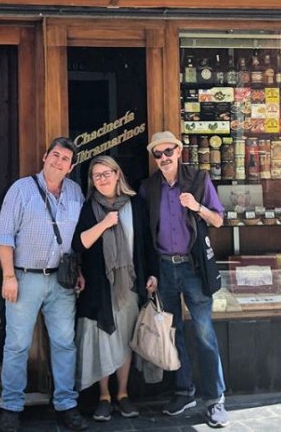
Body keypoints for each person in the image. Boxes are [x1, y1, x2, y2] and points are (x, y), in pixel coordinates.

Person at [0, 137, 88, 432]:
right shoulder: (21, 190)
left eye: (65, 159)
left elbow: (77, 238)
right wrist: (8, 276)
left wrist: (78, 270)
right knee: (17, 345)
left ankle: (66, 404)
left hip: (61, 281)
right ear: (45, 156)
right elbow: (4, 236)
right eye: (55, 155)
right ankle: (11, 407)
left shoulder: (75, 192)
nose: (58, 162)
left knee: (64, 343)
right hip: (25, 278)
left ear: (70, 167)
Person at [141, 131, 229, 429]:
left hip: (193, 268)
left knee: (204, 333)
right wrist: (151, 272)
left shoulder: (198, 180)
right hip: (165, 268)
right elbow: (147, 235)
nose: (164, 158)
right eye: (158, 154)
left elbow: (218, 219)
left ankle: (215, 399)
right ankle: (184, 392)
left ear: (179, 151)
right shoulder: (149, 188)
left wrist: (197, 207)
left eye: (169, 151)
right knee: (173, 332)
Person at [72, 155, 159, 422]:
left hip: (129, 285)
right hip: (98, 287)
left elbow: (147, 243)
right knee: (102, 341)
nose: (102, 179)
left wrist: (152, 274)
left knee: (124, 340)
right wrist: (105, 223)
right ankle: (103, 396)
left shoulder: (135, 205)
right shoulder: (88, 208)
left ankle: (122, 393)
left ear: (117, 174)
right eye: (96, 175)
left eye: (106, 173)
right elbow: (79, 243)